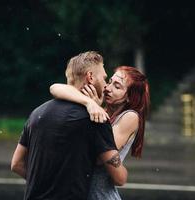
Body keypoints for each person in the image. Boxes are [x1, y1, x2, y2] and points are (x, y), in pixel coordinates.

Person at [11, 51, 128, 200]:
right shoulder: (96, 119)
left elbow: (16, 164)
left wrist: (45, 185)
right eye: (104, 78)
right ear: (90, 77)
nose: (106, 85)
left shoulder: (37, 113)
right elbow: (119, 178)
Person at [50, 66, 150, 200]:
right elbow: (55, 88)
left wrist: (94, 106)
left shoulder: (130, 117)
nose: (108, 88)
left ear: (129, 98)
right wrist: (88, 102)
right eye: (109, 82)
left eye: (117, 86)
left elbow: (100, 154)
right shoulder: (98, 109)